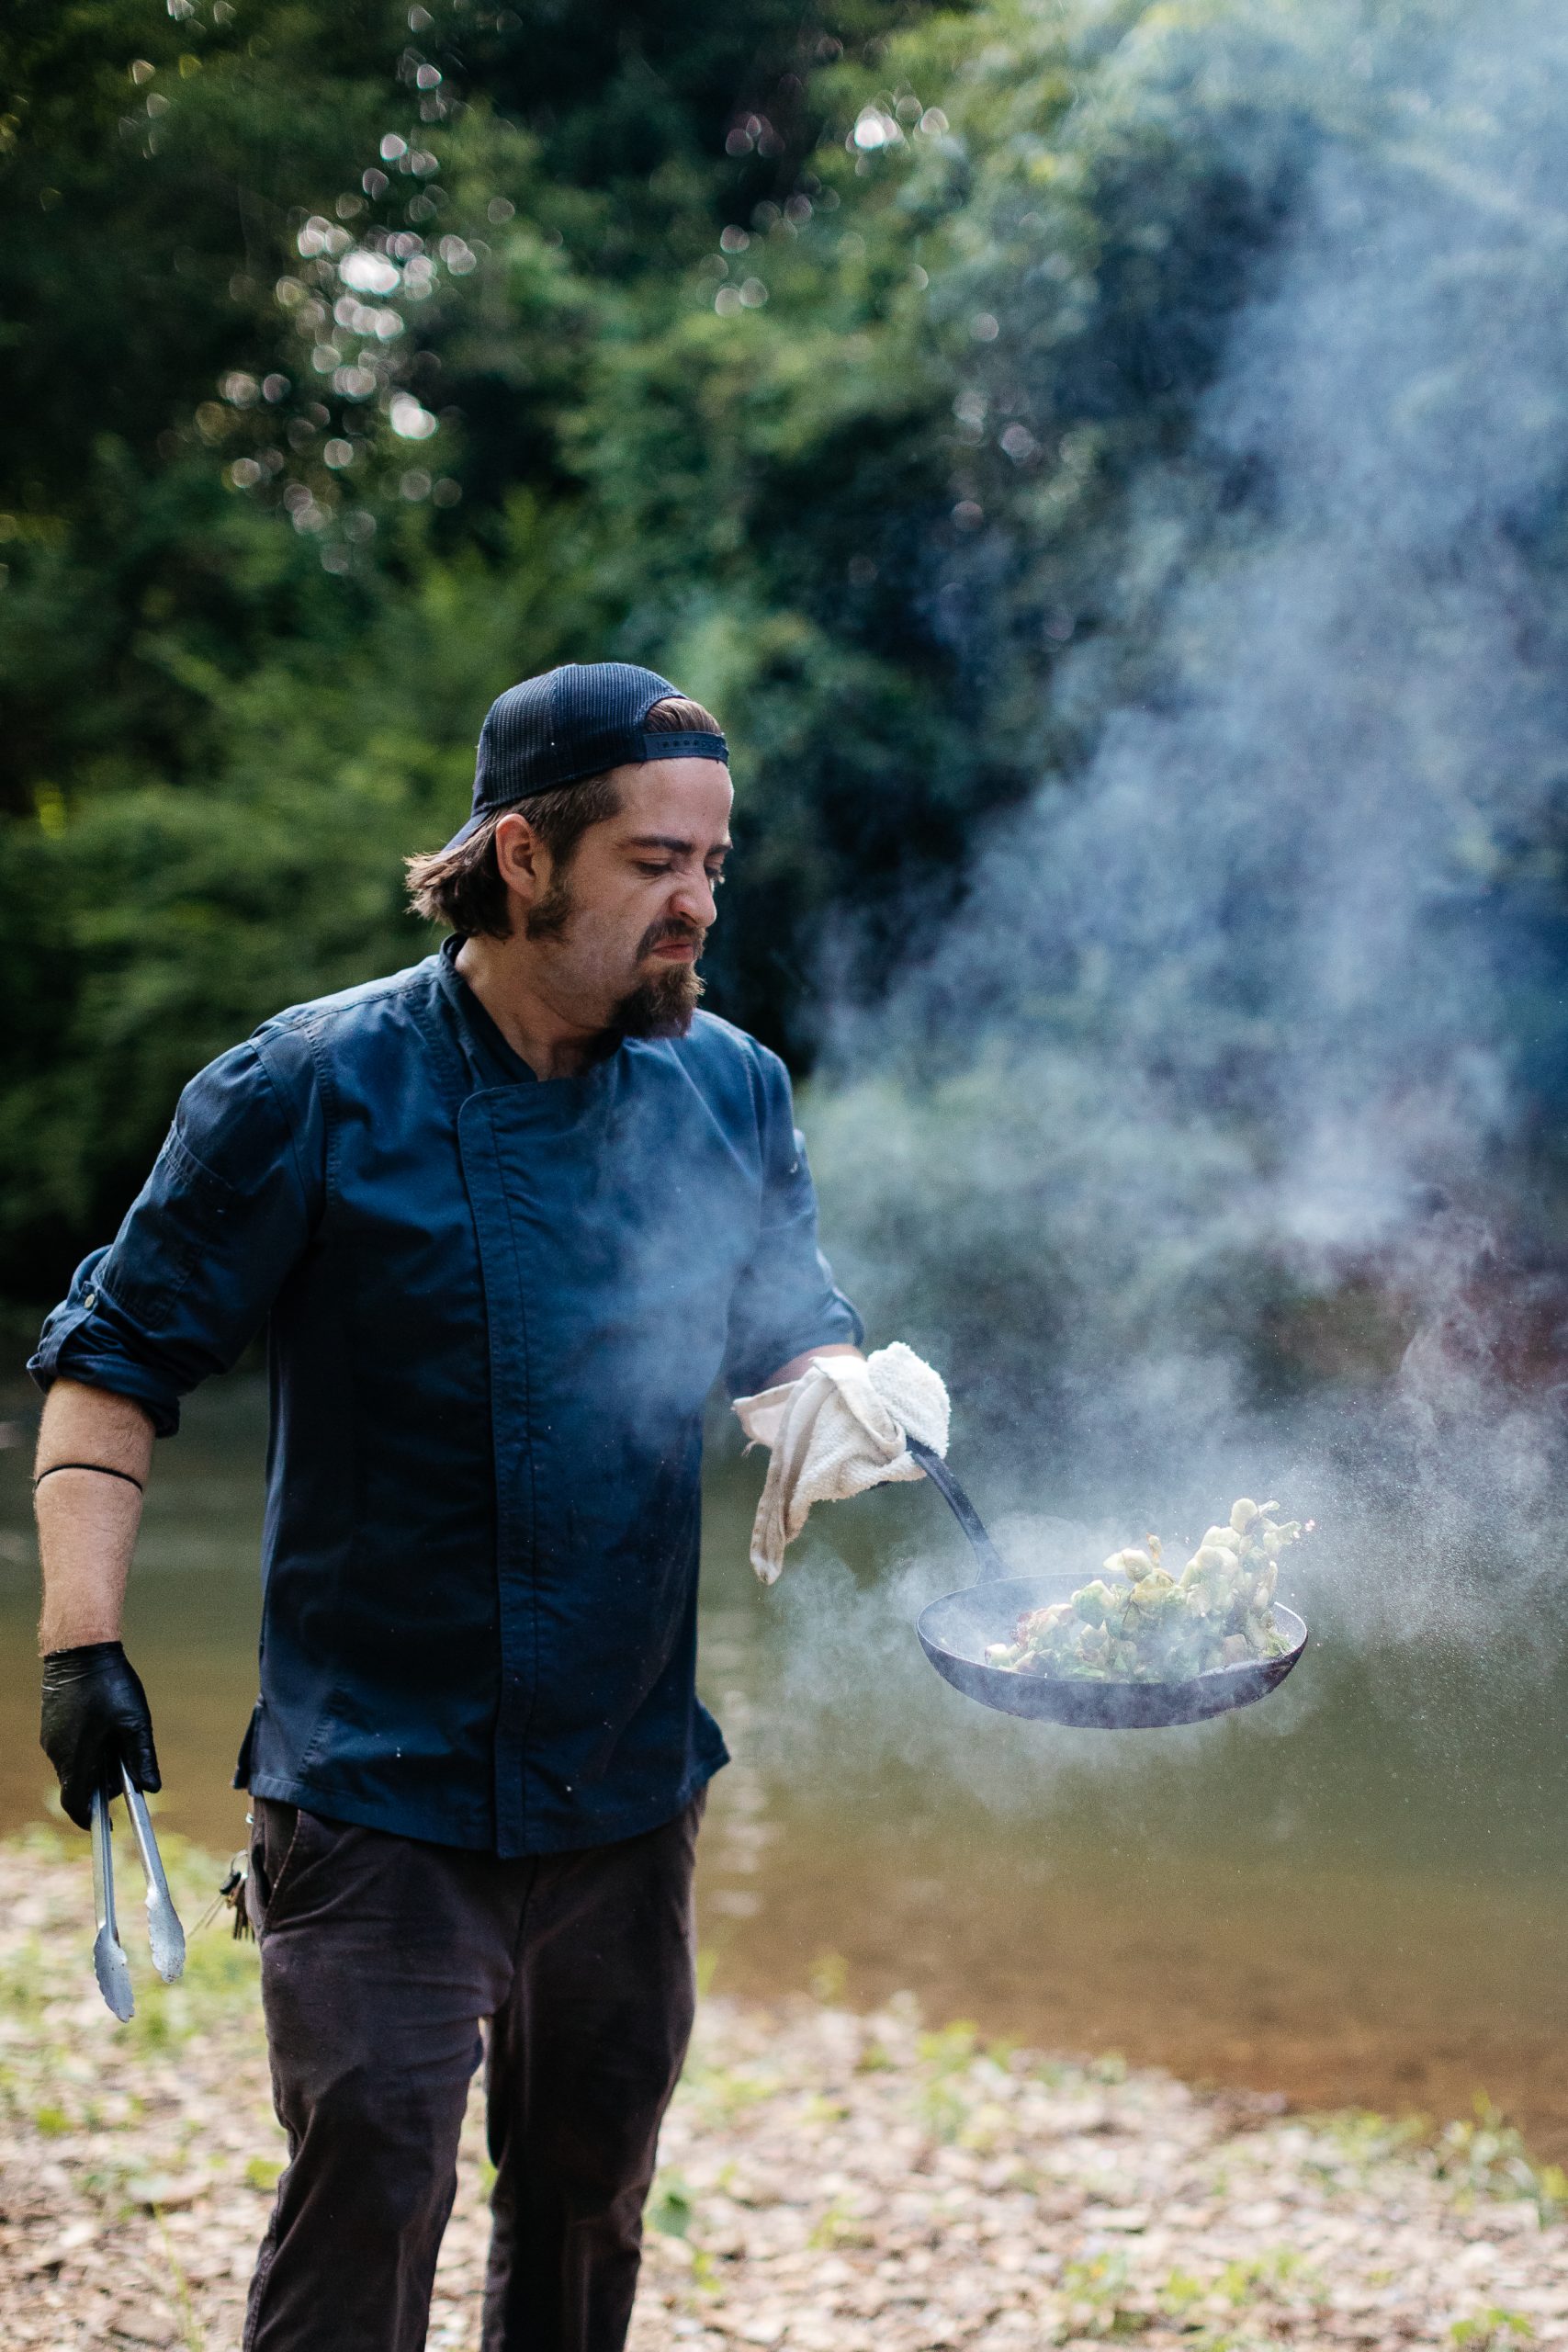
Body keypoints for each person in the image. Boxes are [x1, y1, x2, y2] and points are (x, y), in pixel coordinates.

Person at [28, 662, 942, 2352]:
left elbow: (786, 1322)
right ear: (522, 856)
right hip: (376, 1784)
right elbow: (113, 1367)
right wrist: (82, 1650)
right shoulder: (308, 1089)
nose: (698, 904)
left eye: (714, 864)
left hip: (625, 1780)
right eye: (654, 863)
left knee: (592, 2199)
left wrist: (841, 1389)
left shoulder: (731, 1087)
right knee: (369, 2188)